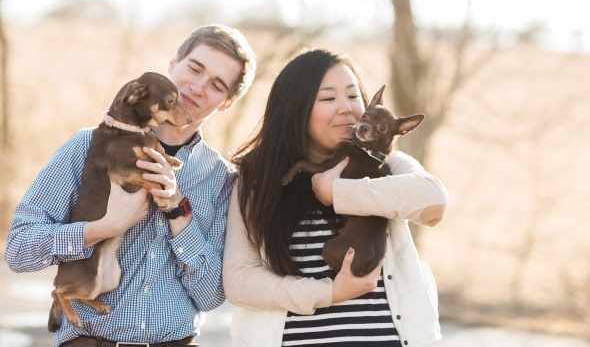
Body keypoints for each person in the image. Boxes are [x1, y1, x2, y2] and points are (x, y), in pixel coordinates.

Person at [5, 24, 256, 347]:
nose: (197, 87)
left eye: (217, 85)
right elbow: (18, 250)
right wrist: (100, 228)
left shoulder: (221, 179)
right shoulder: (86, 146)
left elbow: (210, 296)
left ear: (226, 103)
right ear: (172, 64)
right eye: (194, 68)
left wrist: (178, 211)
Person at [222, 49, 448, 347]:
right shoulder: (257, 180)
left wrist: (337, 192)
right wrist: (329, 293)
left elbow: (433, 200)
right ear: (295, 108)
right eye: (328, 98)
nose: (346, 108)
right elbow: (240, 282)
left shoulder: (388, 164)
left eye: (354, 97)